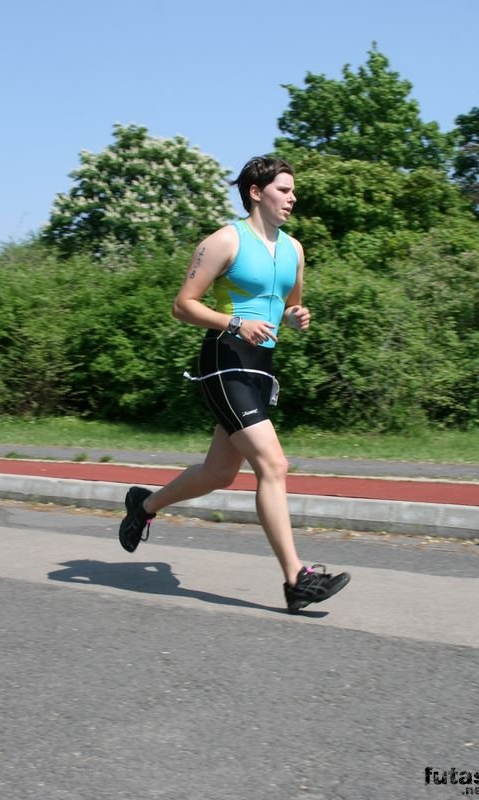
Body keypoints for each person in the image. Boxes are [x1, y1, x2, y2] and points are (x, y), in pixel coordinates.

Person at [118, 156, 350, 613]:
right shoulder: (226, 240)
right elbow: (183, 305)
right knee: (273, 464)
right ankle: (296, 578)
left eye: (292, 190)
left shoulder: (294, 249)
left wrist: (294, 316)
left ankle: (145, 506)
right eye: (284, 189)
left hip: (261, 367)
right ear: (256, 192)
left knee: (219, 474)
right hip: (224, 361)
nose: (292, 197)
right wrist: (233, 323)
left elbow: (286, 305)